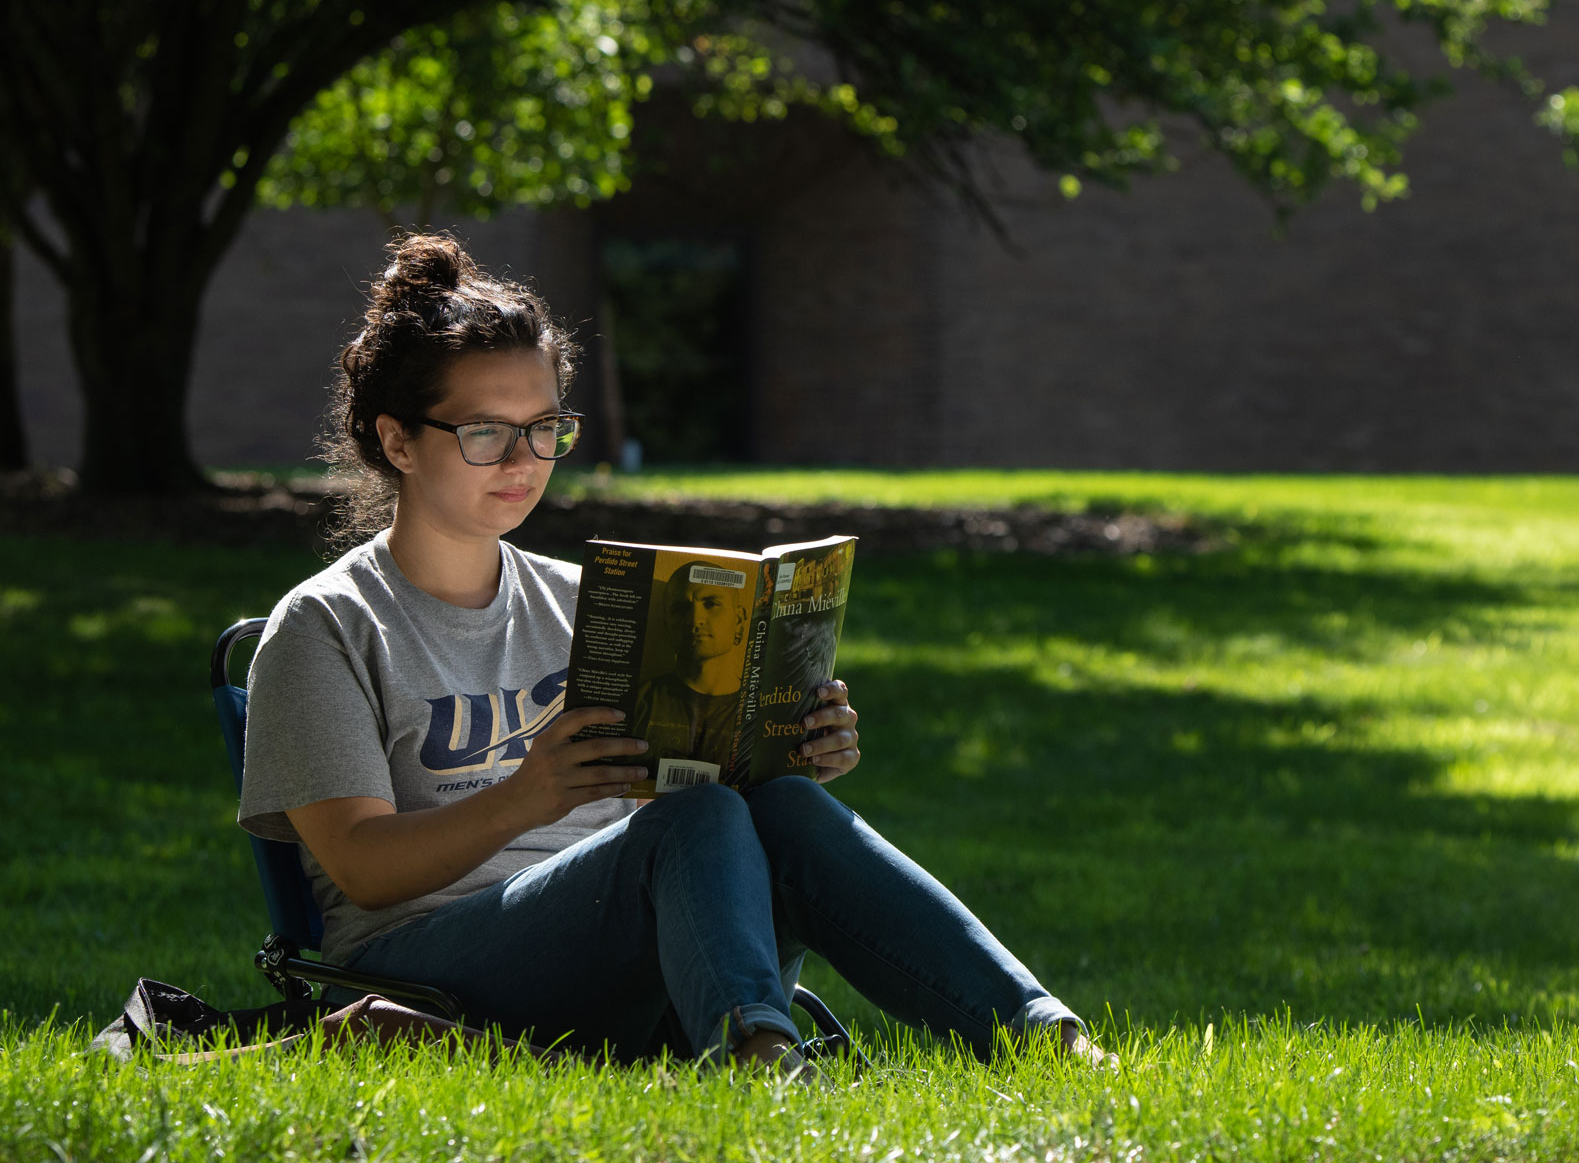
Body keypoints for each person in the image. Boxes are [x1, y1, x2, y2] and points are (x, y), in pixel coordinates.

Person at [238, 232, 1100, 1074]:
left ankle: (1041, 1033)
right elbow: (361, 866)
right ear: (397, 441)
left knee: (782, 806)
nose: (525, 460)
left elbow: (689, 798)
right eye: (485, 433)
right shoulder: (328, 626)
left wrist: (780, 746)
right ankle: (758, 1054)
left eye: (546, 429)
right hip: (430, 970)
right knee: (691, 820)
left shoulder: (592, 602)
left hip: (632, 948)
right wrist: (523, 800)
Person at [628, 561, 753, 773]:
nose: (695, 619)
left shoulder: (761, 710)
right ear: (667, 624)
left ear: (739, 619)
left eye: (711, 603)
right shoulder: (638, 703)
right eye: (680, 609)